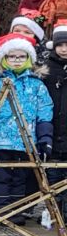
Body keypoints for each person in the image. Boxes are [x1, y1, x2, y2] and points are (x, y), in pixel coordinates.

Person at [0, 33, 53, 224]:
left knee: (19, 179)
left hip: (26, 142)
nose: (16, 60)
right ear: (4, 59)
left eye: (21, 56)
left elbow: (45, 111)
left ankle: (16, 211)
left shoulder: (37, 85)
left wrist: (45, 137)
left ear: (29, 59)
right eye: (12, 56)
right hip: (0, 141)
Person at [41, 23, 67, 213]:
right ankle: (55, 212)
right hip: (53, 127)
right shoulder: (46, 69)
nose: (64, 49)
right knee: (53, 175)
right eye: (60, 45)